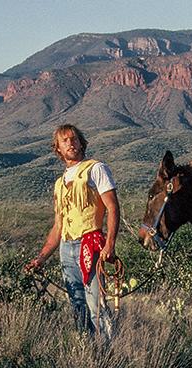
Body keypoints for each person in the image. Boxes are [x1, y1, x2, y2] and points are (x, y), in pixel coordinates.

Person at [25, 124, 120, 340]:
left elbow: (113, 208)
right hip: (66, 250)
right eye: (64, 140)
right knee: (78, 308)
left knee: (98, 306)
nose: (70, 143)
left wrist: (110, 244)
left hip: (91, 245)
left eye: (74, 139)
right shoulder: (59, 183)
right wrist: (40, 259)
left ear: (81, 143)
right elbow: (58, 227)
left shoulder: (96, 169)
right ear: (57, 147)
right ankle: (86, 356)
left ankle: (108, 357)